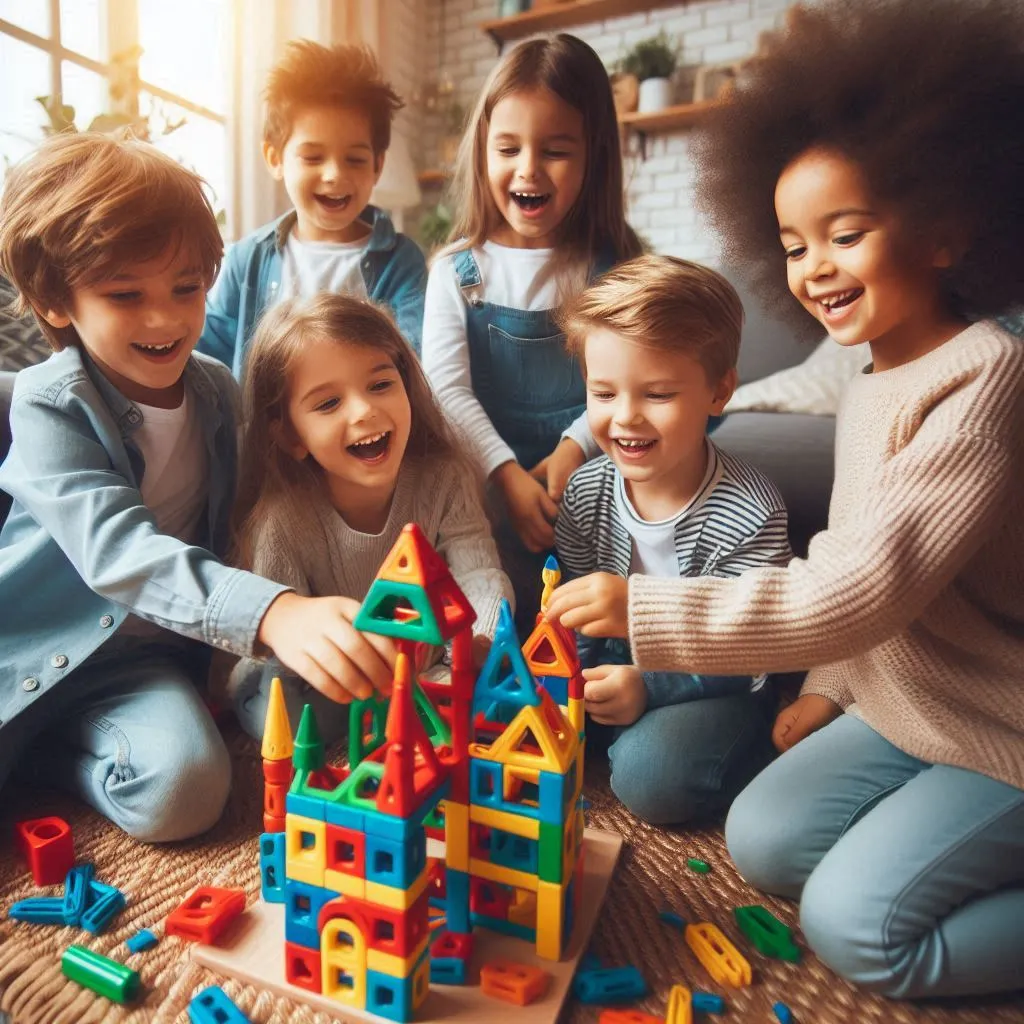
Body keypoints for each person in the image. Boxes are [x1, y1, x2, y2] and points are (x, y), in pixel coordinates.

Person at [545, 0, 1024, 999]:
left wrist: (644, 613)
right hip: (903, 706)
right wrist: (829, 689)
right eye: (792, 243)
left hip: (997, 722)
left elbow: (857, 586)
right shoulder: (869, 376)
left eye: (841, 234)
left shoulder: (982, 382)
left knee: (859, 932)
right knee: (761, 840)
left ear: (945, 230)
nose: (811, 269)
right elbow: (866, 562)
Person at [0, 134, 396, 842]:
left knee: (186, 793)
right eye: (126, 295)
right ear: (56, 302)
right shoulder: (49, 402)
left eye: (187, 288)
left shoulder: (217, 389)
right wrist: (274, 612)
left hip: (138, 665)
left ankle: (52, 757)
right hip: (25, 647)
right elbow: (119, 552)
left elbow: (267, 506)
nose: (166, 318)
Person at [554, 255, 791, 825]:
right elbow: (569, 613)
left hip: (717, 679)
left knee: (650, 775)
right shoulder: (587, 490)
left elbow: (751, 650)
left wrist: (648, 688)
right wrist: (566, 689)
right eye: (604, 394)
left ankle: (757, 754)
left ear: (719, 391)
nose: (626, 418)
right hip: (611, 670)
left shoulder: (751, 510)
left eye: (657, 394)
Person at [422, 33, 642, 615]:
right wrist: (506, 477)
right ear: (482, 151)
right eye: (508, 148)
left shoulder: (617, 267)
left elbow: (639, 381)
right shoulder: (455, 271)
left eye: (556, 149)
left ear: (594, 155)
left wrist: (575, 447)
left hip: (596, 476)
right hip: (486, 490)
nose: (528, 170)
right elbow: (446, 391)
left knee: (586, 624)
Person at [230, 293, 513, 740]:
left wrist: (476, 641)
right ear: (288, 435)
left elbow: (479, 572)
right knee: (285, 712)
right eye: (328, 404)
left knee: (497, 697)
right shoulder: (283, 521)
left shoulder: (444, 479)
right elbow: (283, 641)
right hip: (321, 676)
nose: (364, 411)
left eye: (381, 385)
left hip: (429, 659)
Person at [198, 41, 426, 373]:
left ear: (378, 166)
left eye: (355, 159)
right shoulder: (247, 260)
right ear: (275, 159)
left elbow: (409, 361)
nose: (334, 174)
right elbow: (208, 362)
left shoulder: (401, 263)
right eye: (313, 157)